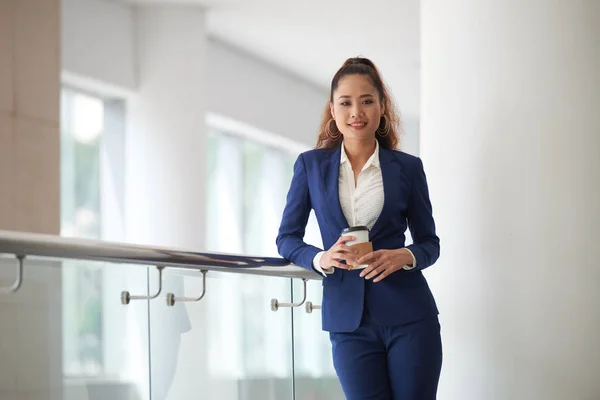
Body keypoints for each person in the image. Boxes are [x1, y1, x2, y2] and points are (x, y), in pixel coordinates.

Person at [276, 57, 442, 400]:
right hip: (347, 322)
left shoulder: (408, 169)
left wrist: (406, 255)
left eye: (367, 101)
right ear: (333, 110)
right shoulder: (310, 166)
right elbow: (287, 238)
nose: (357, 112)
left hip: (410, 316)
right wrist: (322, 258)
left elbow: (430, 243)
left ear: (382, 107)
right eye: (346, 102)